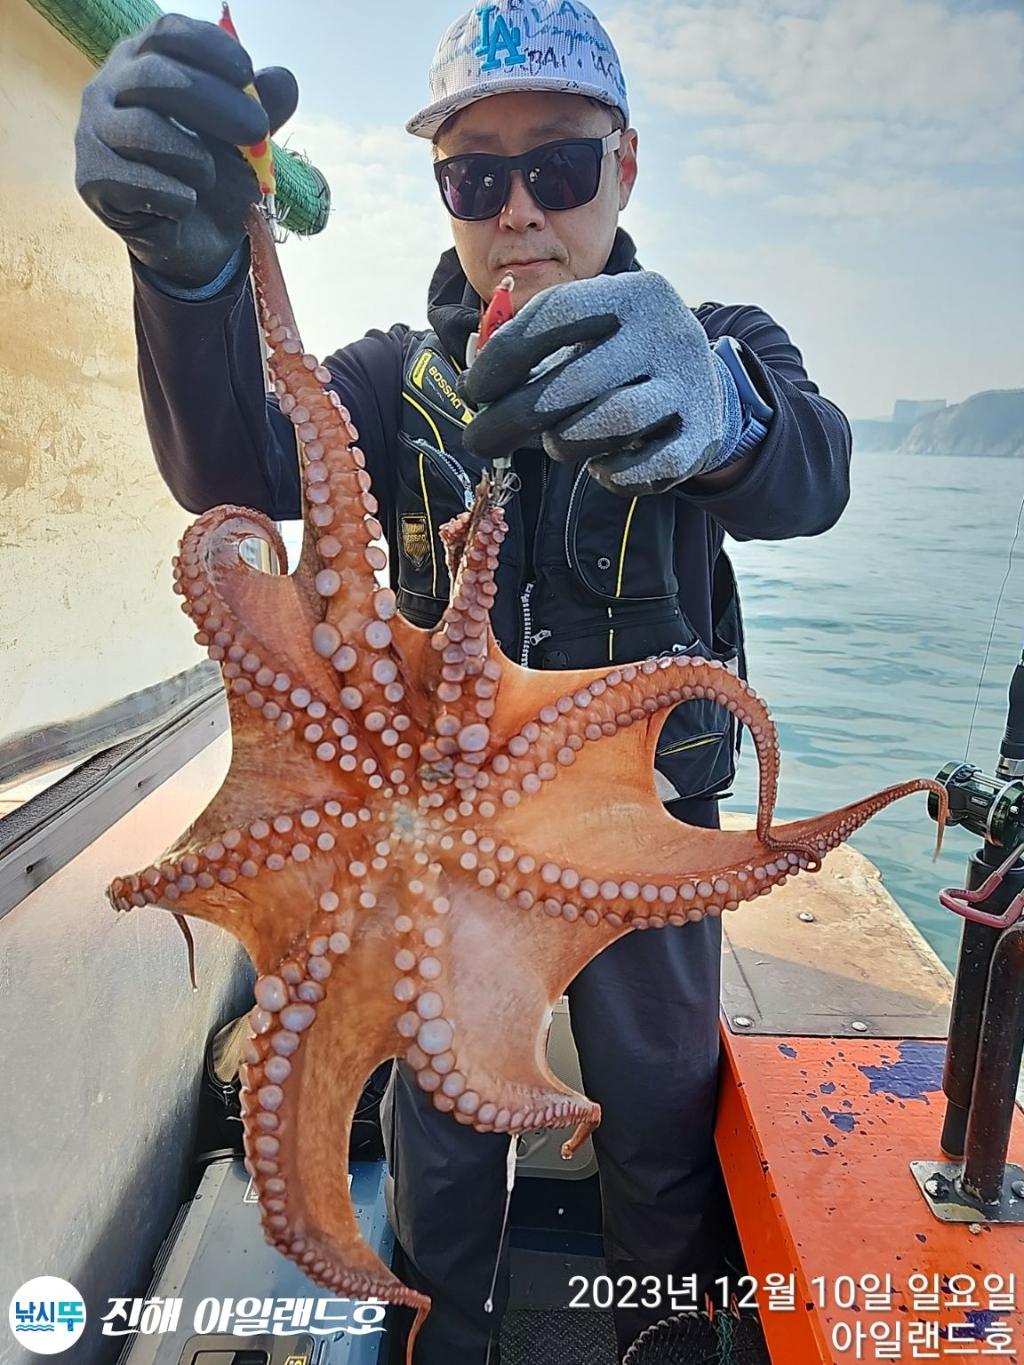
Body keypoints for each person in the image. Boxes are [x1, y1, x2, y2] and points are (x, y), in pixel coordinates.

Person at [75, 4, 853, 1361]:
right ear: (443, 192)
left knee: (661, 1124)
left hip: (640, 835)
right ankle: (442, 1341)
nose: (520, 210)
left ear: (625, 167)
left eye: (559, 164)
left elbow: (811, 472)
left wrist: (726, 408)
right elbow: (236, 462)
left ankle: (654, 1345)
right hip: (429, 858)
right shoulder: (396, 379)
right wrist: (187, 284)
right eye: (475, 176)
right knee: (438, 1144)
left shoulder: (713, 343)